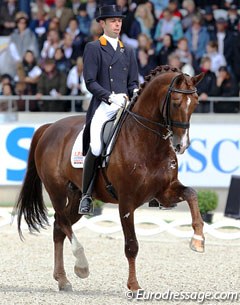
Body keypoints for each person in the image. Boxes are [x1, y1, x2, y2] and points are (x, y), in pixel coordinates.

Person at [79, 4, 139, 215]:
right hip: (104, 106)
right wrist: (108, 96)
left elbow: (132, 82)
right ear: (102, 23)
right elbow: (90, 81)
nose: (117, 24)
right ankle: (86, 195)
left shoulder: (128, 50)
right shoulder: (94, 48)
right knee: (96, 147)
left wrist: (136, 92)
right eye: (113, 21)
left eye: (119, 21)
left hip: (124, 105)